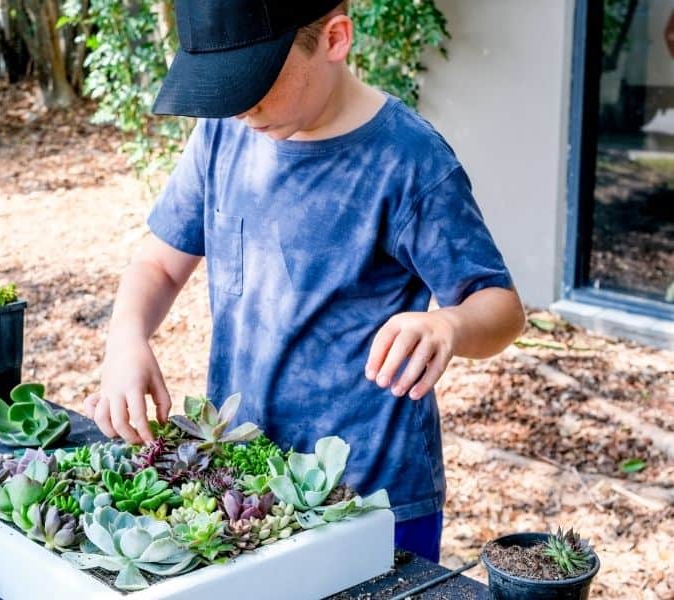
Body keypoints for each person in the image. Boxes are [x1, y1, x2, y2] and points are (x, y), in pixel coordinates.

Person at [83, 0, 526, 563]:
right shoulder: (225, 133)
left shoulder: (410, 161)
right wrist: (125, 338)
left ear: (335, 38)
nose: (241, 107)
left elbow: (502, 309)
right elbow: (159, 264)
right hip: (242, 483)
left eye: (257, 81)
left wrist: (450, 322)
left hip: (370, 496)